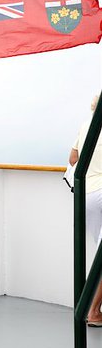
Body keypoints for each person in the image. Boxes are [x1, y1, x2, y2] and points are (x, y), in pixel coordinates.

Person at [69, 94, 102, 327]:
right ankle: (94, 311)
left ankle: (91, 309)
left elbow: (73, 160)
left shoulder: (86, 124)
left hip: (86, 194)